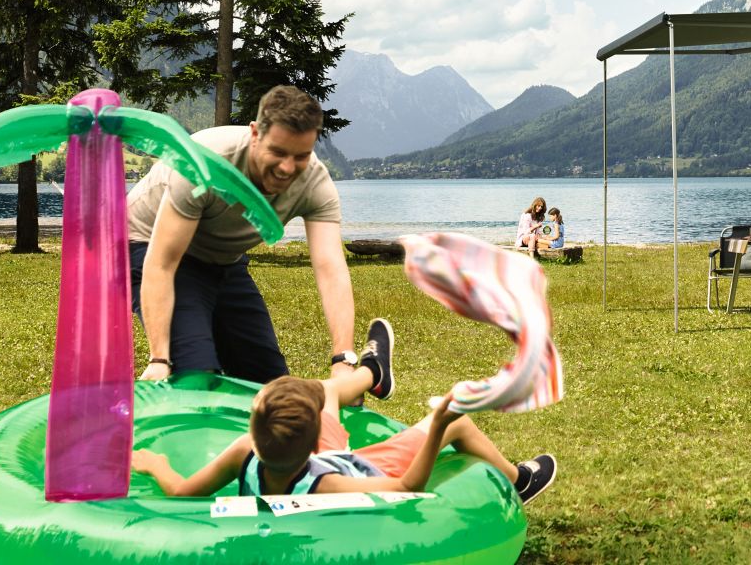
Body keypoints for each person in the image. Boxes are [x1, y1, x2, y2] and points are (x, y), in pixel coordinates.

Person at [130, 329, 557, 503]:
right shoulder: (328, 482)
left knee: (330, 389)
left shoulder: (245, 450)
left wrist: (154, 463)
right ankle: (520, 481)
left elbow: (183, 492)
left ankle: (373, 373)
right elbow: (408, 487)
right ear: (317, 439)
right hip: (359, 464)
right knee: (462, 422)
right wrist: (440, 424)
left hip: (314, 456)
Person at [130, 85, 374, 386]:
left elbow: (331, 270)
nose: (287, 168)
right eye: (278, 152)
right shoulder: (203, 162)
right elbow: (162, 263)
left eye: (301, 156)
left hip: (223, 259)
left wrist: (342, 359)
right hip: (147, 242)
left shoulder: (314, 182)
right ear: (255, 133)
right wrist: (159, 358)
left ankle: (369, 374)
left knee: (270, 385)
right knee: (196, 376)